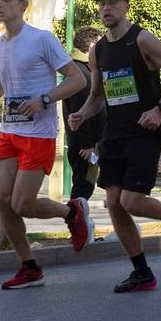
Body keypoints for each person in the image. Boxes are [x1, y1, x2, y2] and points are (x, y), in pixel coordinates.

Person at [66, 0, 161, 293]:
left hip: (143, 131)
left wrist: (160, 109)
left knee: (131, 200)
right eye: (101, 4)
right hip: (114, 134)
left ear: (125, 6)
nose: (106, 8)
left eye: (112, 3)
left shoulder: (142, 39)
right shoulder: (98, 51)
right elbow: (98, 95)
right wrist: (82, 113)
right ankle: (141, 272)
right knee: (114, 203)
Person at [0, 0, 91, 290]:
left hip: (39, 132)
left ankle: (72, 211)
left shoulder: (42, 39)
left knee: (22, 204)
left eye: (7, 0)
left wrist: (44, 100)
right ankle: (29, 267)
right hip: (8, 130)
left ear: (23, 6)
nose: (0, 5)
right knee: (1, 200)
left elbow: (78, 79)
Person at [61, 25, 105, 203]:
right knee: (82, 189)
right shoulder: (82, 73)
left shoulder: (83, 70)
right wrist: (89, 145)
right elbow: (81, 112)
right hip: (85, 147)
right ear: (92, 46)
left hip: (87, 145)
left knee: (84, 188)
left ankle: (79, 225)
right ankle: (77, 225)